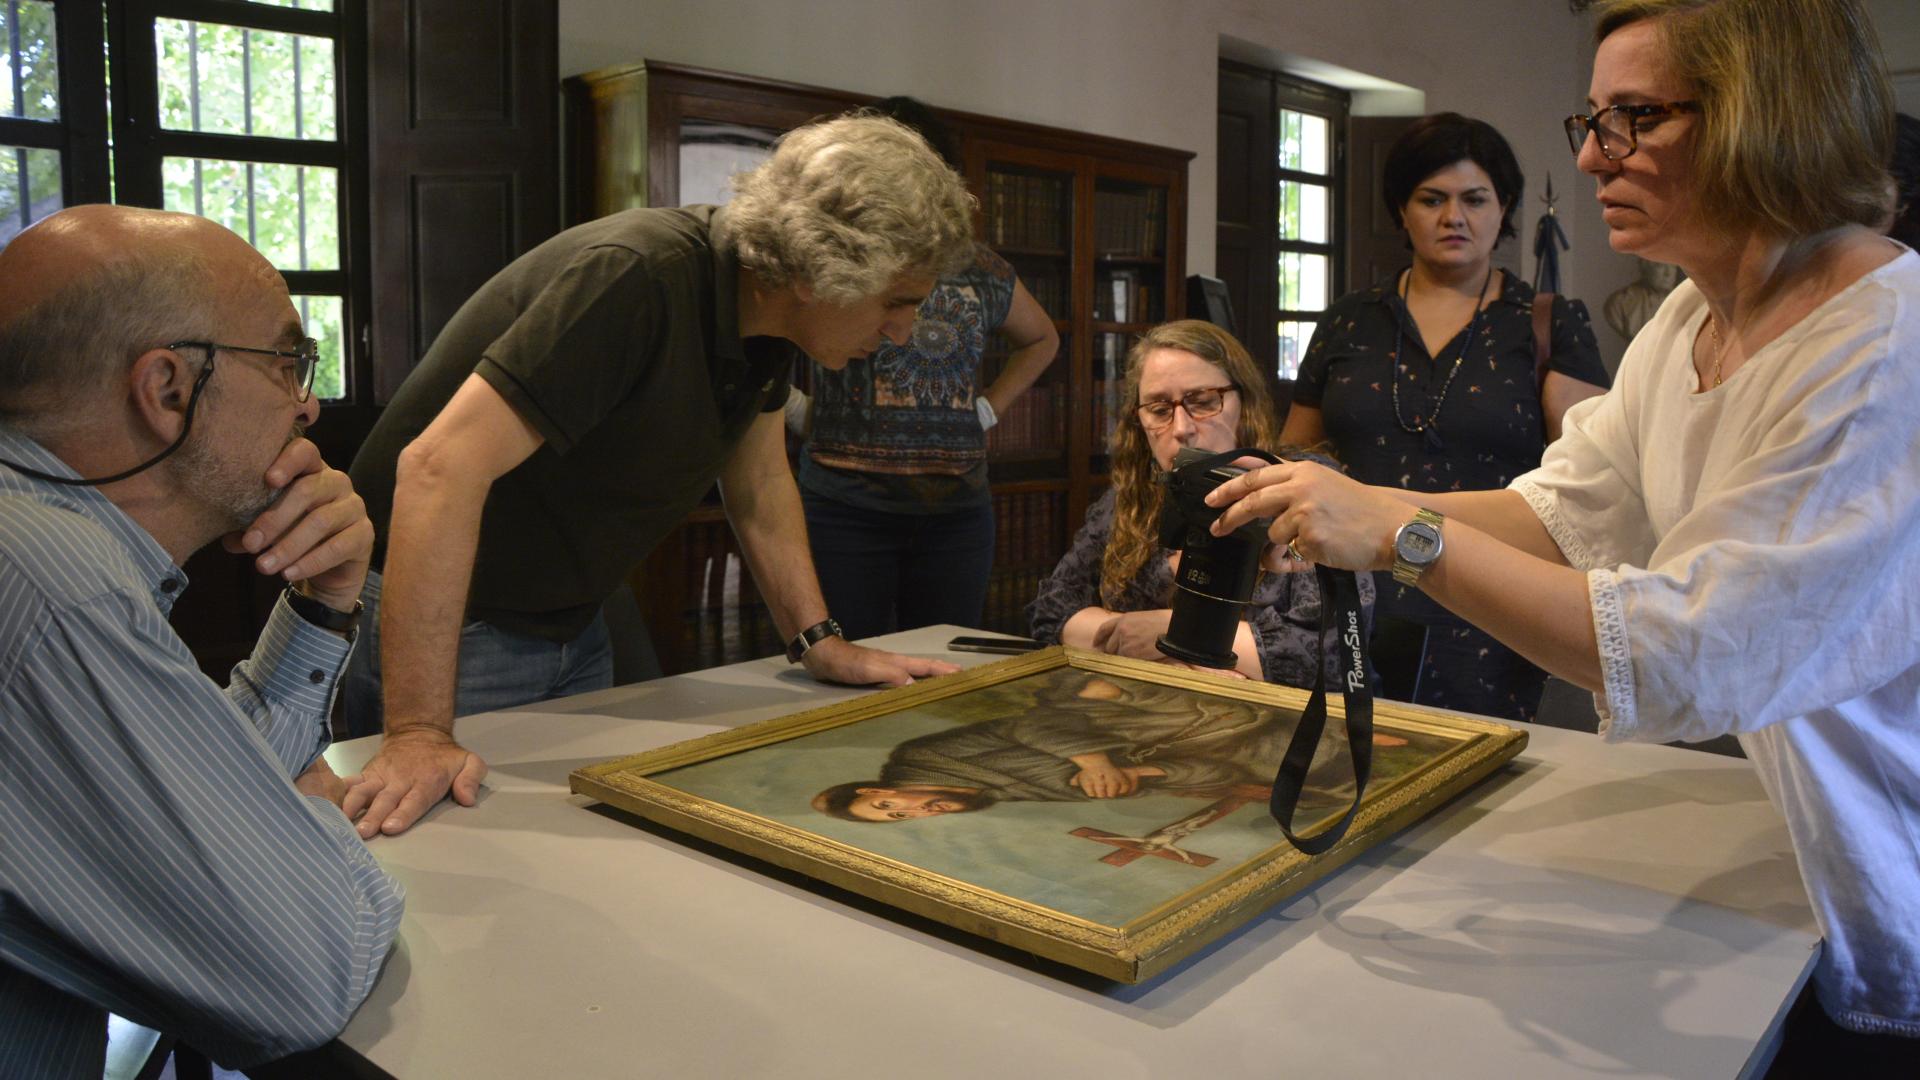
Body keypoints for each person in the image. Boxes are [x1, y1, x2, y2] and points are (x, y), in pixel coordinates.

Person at [1205, 0, 1918, 1063]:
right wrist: (1346, 506)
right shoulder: (1689, 317)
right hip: (1801, 835)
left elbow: (1683, 651)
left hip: (1890, 845)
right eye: (1588, 120)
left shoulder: (1880, 350)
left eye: (1635, 118)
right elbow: (1567, 504)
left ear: (1762, 117)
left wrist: (1401, 534)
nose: (1593, 157)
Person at [340, 114, 976, 839]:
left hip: (572, 616)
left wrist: (818, 642)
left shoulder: (766, 325)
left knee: (585, 847)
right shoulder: (637, 277)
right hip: (459, 626)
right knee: (467, 863)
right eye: (898, 300)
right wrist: (419, 731)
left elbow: (761, 485)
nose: (901, 330)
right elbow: (435, 468)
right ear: (812, 270)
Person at [0, 206, 402, 1076]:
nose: (310, 402)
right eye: (288, 360)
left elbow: (193, 789)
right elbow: (303, 970)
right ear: (169, 390)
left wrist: (326, 602)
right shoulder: (55, 587)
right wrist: (300, 821)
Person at [1280, 112, 1612, 722]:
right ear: (1400, 209)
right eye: (1431, 198)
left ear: (1503, 206)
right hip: (1352, 595)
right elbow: (1299, 455)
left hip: (1490, 600)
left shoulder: (1546, 320)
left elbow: (1589, 485)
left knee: (1490, 780)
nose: (1453, 217)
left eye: (1474, 199)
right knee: (1346, 761)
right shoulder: (1349, 319)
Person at [792, 96, 1060, 640]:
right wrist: (797, 409)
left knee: (947, 665)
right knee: (845, 664)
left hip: (956, 512)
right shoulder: (838, 254)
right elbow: (775, 326)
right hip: (845, 507)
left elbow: (1042, 338)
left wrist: (989, 407)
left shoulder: (982, 267)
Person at [1028, 319, 1367, 685]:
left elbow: (1331, 654)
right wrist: (1171, 656)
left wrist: (1169, 635)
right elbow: (1052, 611)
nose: (1181, 428)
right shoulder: (1132, 496)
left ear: (1245, 404)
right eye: (1159, 410)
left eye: (1203, 402)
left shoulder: (1302, 487)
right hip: (1147, 712)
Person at [813, 670, 1384, 822]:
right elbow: (1126, 780)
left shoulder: (928, 758)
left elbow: (1030, 730)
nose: (909, 811)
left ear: (874, 786)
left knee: (1220, 721)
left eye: (886, 805)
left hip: (1120, 718)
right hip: (1163, 747)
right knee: (1302, 767)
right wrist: (1145, 779)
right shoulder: (989, 797)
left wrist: (1094, 761)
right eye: (897, 820)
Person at [1602, 255, 1683, 341]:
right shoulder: (1620, 303)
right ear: (1645, 268)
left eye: (1673, 266)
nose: (1668, 273)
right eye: (1659, 265)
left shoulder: (1685, 299)